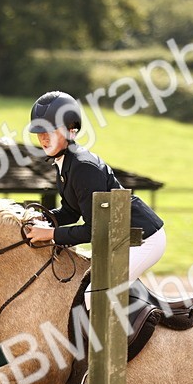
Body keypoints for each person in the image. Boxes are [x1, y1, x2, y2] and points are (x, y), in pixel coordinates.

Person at [22, 91, 166, 283]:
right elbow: (72, 212)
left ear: (70, 129)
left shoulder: (83, 166)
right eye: (40, 133)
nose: (43, 139)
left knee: (96, 292)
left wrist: (51, 234)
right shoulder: (65, 162)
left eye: (50, 131)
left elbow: (95, 229)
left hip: (143, 238)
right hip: (120, 237)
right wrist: (44, 218)